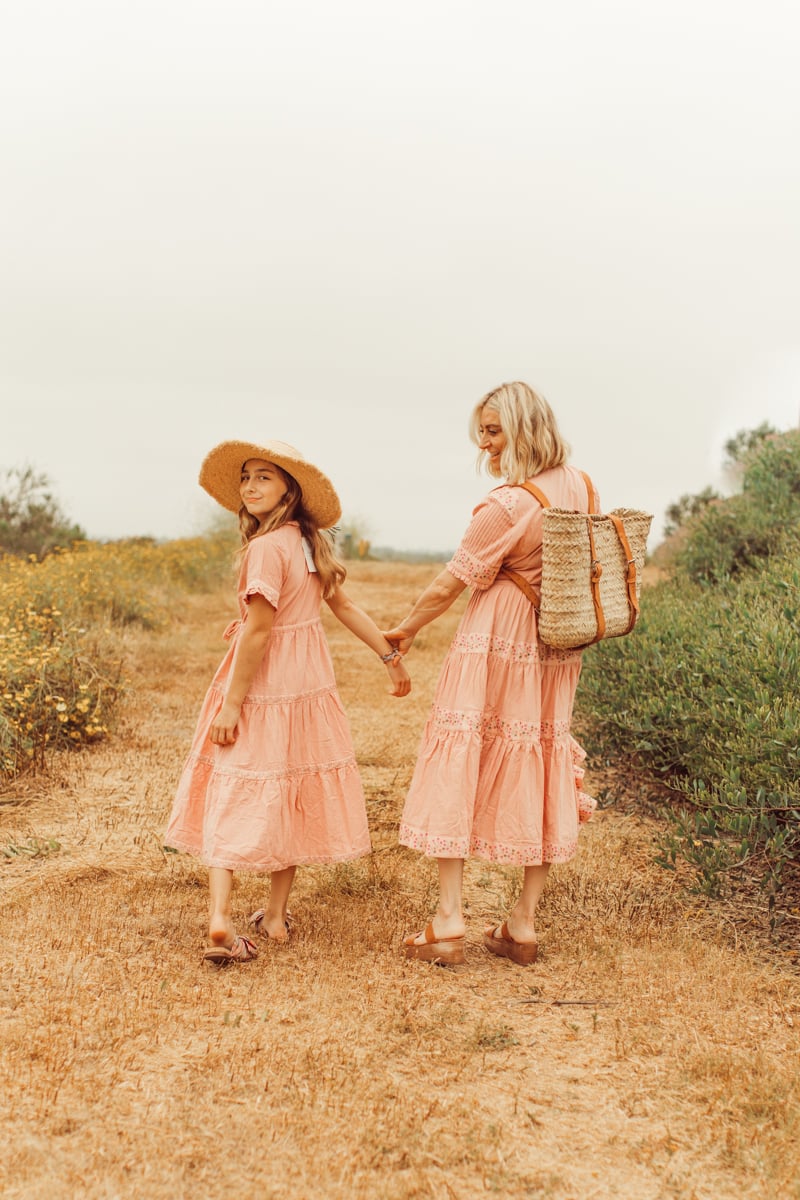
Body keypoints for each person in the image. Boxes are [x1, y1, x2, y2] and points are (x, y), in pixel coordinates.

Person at [165, 439, 410, 965]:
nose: (250, 486)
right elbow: (341, 606)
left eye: (264, 478)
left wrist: (231, 705)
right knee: (290, 785)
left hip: (266, 683)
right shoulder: (306, 541)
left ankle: (220, 919)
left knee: (234, 784)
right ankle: (273, 917)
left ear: (288, 491)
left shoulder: (268, 547)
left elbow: (258, 633)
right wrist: (387, 656)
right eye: (247, 478)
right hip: (306, 684)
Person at [384, 382, 596, 966]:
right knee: (544, 756)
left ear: (525, 428)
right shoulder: (581, 486)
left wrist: (404, 630)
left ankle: (449, 920)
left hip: (499, 639)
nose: (485, 441)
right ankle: (522, 924)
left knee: (463, 754)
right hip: (557, 643)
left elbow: (449, 584)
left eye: (495, 430)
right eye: (482, 429)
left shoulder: (507, 504)